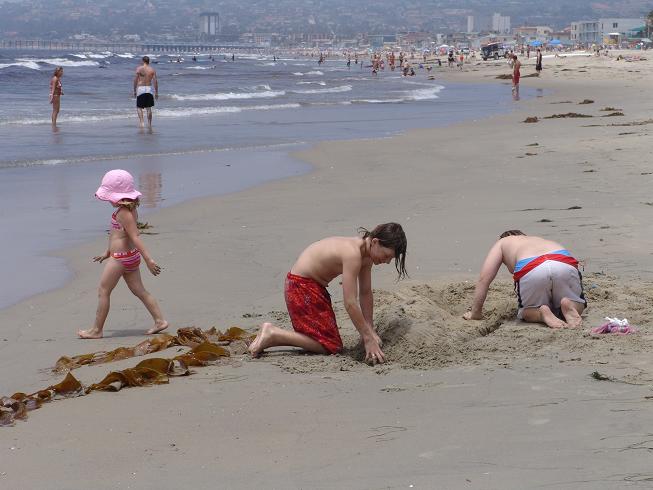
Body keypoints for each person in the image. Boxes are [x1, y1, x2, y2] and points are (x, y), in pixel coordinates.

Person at [248, 223, 408, 364]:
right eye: (387, 256)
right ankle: (273, 334)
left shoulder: (366, 256)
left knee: (328, 341)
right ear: (375, 242)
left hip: (313, 286)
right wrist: (367, 338)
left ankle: (273, 334)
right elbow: (350, 303)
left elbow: (365, 293)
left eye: (391, 259)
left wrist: (370, 330)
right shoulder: (353, 254)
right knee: (331, 346)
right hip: (300, 286)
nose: (387, 261)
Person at [78, 169, 168, 339]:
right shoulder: (130, 210)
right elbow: (117, 235)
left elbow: (135, 236)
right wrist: (107, 252)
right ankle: (160, 320)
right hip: (129, 257)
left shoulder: (123, 213)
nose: (108, 200)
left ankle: (96, 330)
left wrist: (149, 259)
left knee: (103, 291)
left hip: (120, 259)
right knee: (140, 291)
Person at [463, 230, 586, 329]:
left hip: (531, 266)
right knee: (577, 300)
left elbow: (484, 279)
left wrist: (475, 313)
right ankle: (570, 305)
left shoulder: (502, 242)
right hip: (563, 262)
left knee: (527, 312)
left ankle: (541, 312)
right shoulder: (536, 239)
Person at [133, 56, 158, 128]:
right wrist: (156, 92)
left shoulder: (139, 69)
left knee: (139, 107)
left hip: (141, 88)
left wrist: (134, 90)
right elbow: (155, 81)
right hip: (149, 88)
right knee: (149, 108)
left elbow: (135, 80)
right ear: (149, 61)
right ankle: (149, 124)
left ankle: (142, 123)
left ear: (143, 61)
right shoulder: (152, 70)